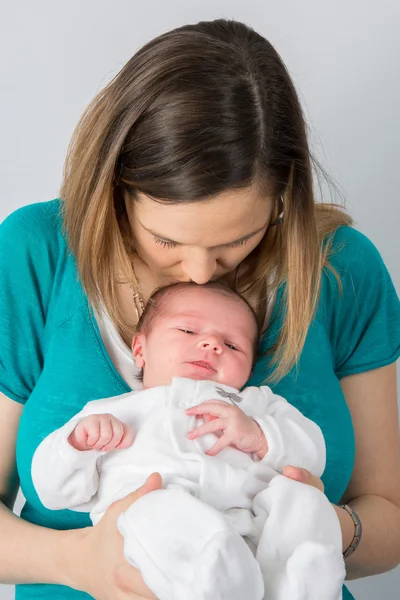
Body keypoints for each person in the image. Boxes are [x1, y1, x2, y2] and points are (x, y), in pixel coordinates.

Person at [0, 16, 399, 600]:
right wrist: (81, 562)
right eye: (166, 241)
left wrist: (314, 530)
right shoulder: (34, 254)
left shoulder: (341, 268)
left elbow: (388, 517)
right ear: (115, 185)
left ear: (284, 193)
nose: (201, 271)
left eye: (238, 240)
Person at [31, 281, 345, 600]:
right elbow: (52, 490)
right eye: (188, 331)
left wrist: (260, 435)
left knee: (301, 500)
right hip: (162, 544)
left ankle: (301, 581)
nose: (211, 344)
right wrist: (79, 444)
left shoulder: (258, 405)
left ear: (249, 368)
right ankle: (215, 580)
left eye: (233, 345)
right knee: (152, 509)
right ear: (140, 349)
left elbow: (312, 456)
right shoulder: (109, 413)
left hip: (254, 535)